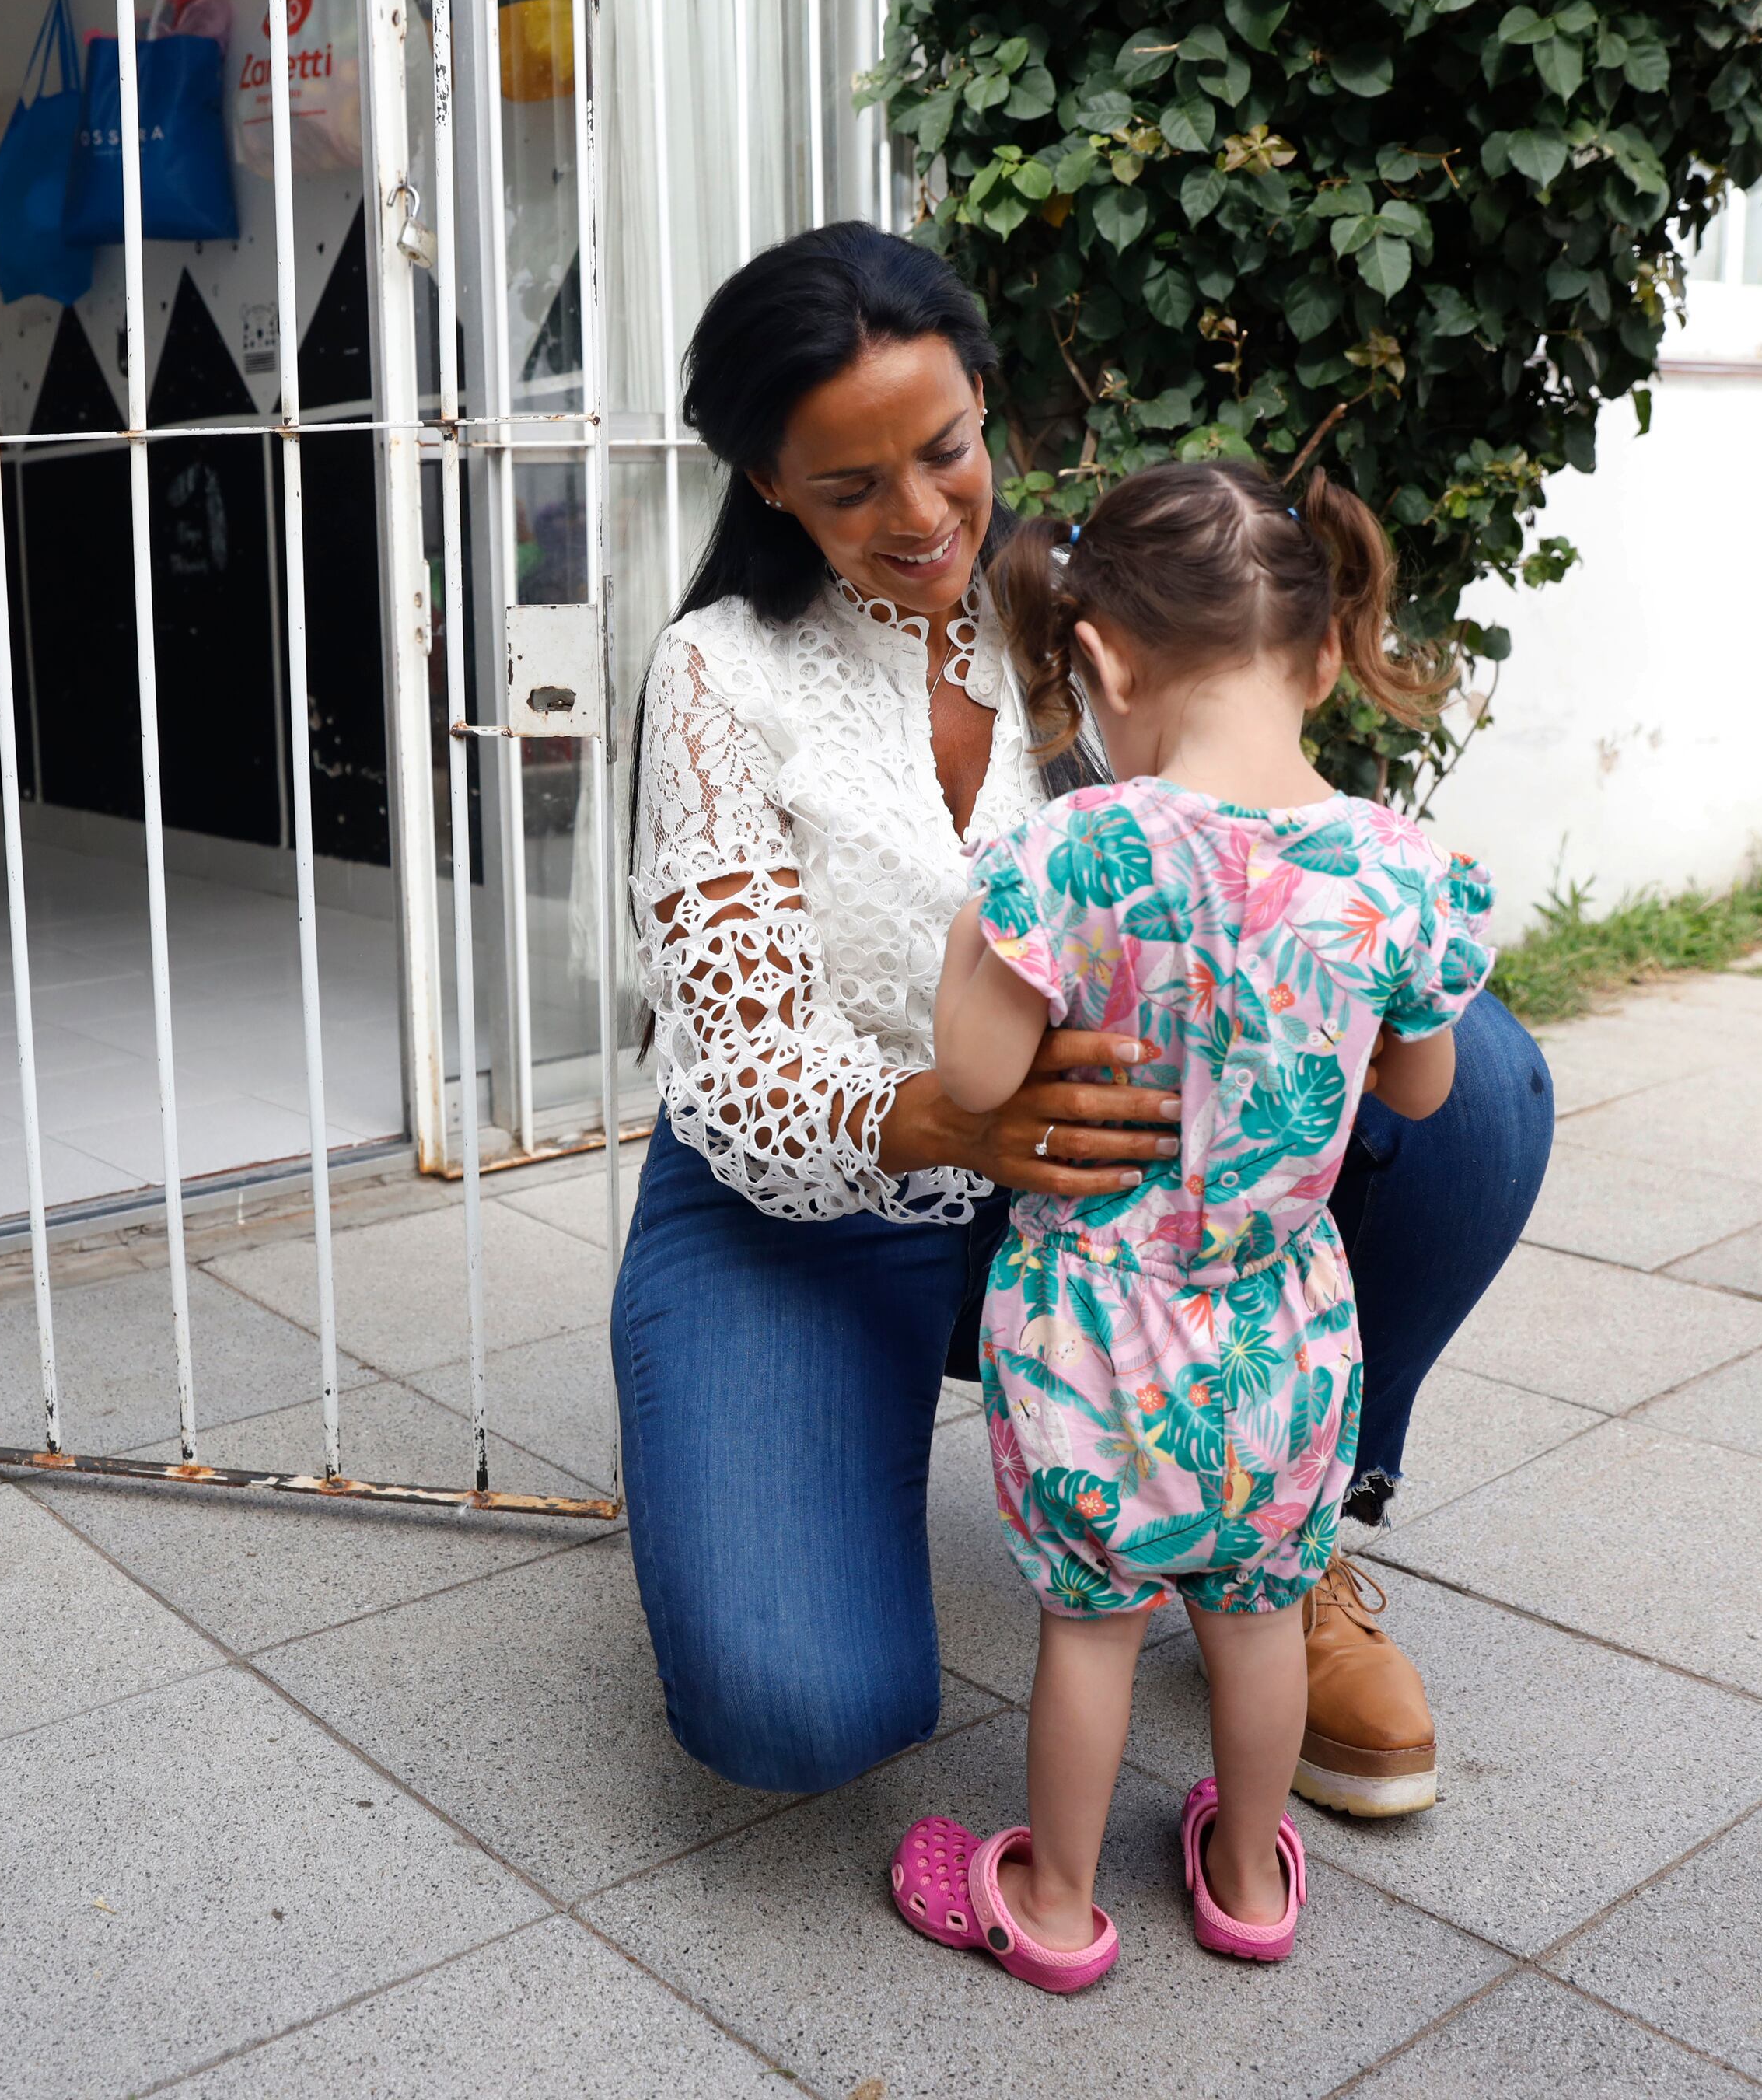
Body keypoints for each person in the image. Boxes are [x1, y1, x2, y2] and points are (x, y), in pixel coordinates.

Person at [613, 222, 1552, 1811]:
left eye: (947, 452)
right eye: (849, 487)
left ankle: (1285, 1532)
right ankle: (765, 1439)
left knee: (1476, 1089)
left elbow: (1255, 793)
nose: (919, 519)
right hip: (820, 1199)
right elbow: (746, 1062)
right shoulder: (719, 674)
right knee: (799, 1711)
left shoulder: (1072, 605)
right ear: (769, 483)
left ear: (987, 402)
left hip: (1132, 1199)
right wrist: (957, 1116)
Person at [887, 459, 1494, 1987]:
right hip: (1288, 1322)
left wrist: (982, 916)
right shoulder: (1398, 873)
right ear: (1329, 652)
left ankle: (1059, 1906)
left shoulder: (1067, 857)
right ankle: (1243, 1878)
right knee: (1261, 1614)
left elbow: (975, 1075)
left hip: (1093, 1322)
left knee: (1092, 1627)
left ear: (1100, 662)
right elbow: (1418, 1088)